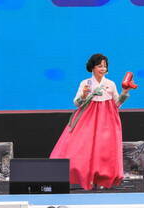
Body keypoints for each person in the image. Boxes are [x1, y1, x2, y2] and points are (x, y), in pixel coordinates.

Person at [50, 53, 130, 190]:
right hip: (87, 118)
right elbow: (77, 103)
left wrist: (124, 92)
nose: (103, 69)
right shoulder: (85, 83)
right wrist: (84, 95)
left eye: (105, 66)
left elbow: (117, 103)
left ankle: (103, 179)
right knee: (84, 147)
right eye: (99, 66)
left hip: (107, 120)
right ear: (92, 67)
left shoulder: (110, 84)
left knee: (104, 149)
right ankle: (85, 177)